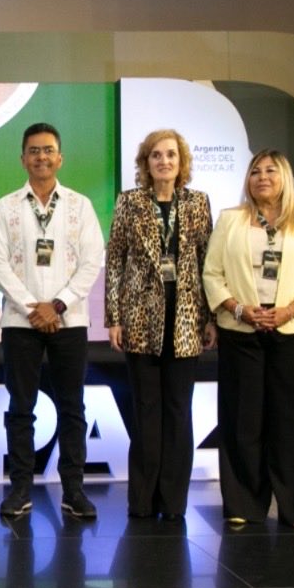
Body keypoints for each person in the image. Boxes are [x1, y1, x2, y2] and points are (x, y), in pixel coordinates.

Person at [203, 149, 294, 528]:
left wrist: (290, 310)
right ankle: (244, 503)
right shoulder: (231, 219)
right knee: (243, 420)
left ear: (286, 177)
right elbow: (211, 273)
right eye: (255, 171)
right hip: (242, 328)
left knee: (293, 422)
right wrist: (239, 309)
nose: (262, 177)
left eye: (271, 171)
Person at [0, 122, 105, 519]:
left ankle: (73, 489)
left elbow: (93, 262)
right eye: (33, 151)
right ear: (23, 159)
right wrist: (31, 307)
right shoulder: (5, 207)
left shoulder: (80, 205)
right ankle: (20, 487)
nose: (41, 157)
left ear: (60, 157)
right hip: (21, 324)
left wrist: (57, 305)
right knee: (21, 408)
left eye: (48, 150)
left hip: (68, 322)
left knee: (73, 407)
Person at [104, 129, 215, 521]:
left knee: (178, 412)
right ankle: (143, 501)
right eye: (155, 155)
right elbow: (115, 260)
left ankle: (173, 501)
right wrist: (113, 318)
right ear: (145, 163)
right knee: (146, 412)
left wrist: (210, 318)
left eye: (170, 155)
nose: (163, 161)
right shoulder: (129, 202)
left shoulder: (199, 204)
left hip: (185, 321)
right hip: (139, 321)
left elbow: (208, 265)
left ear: (181, 162)